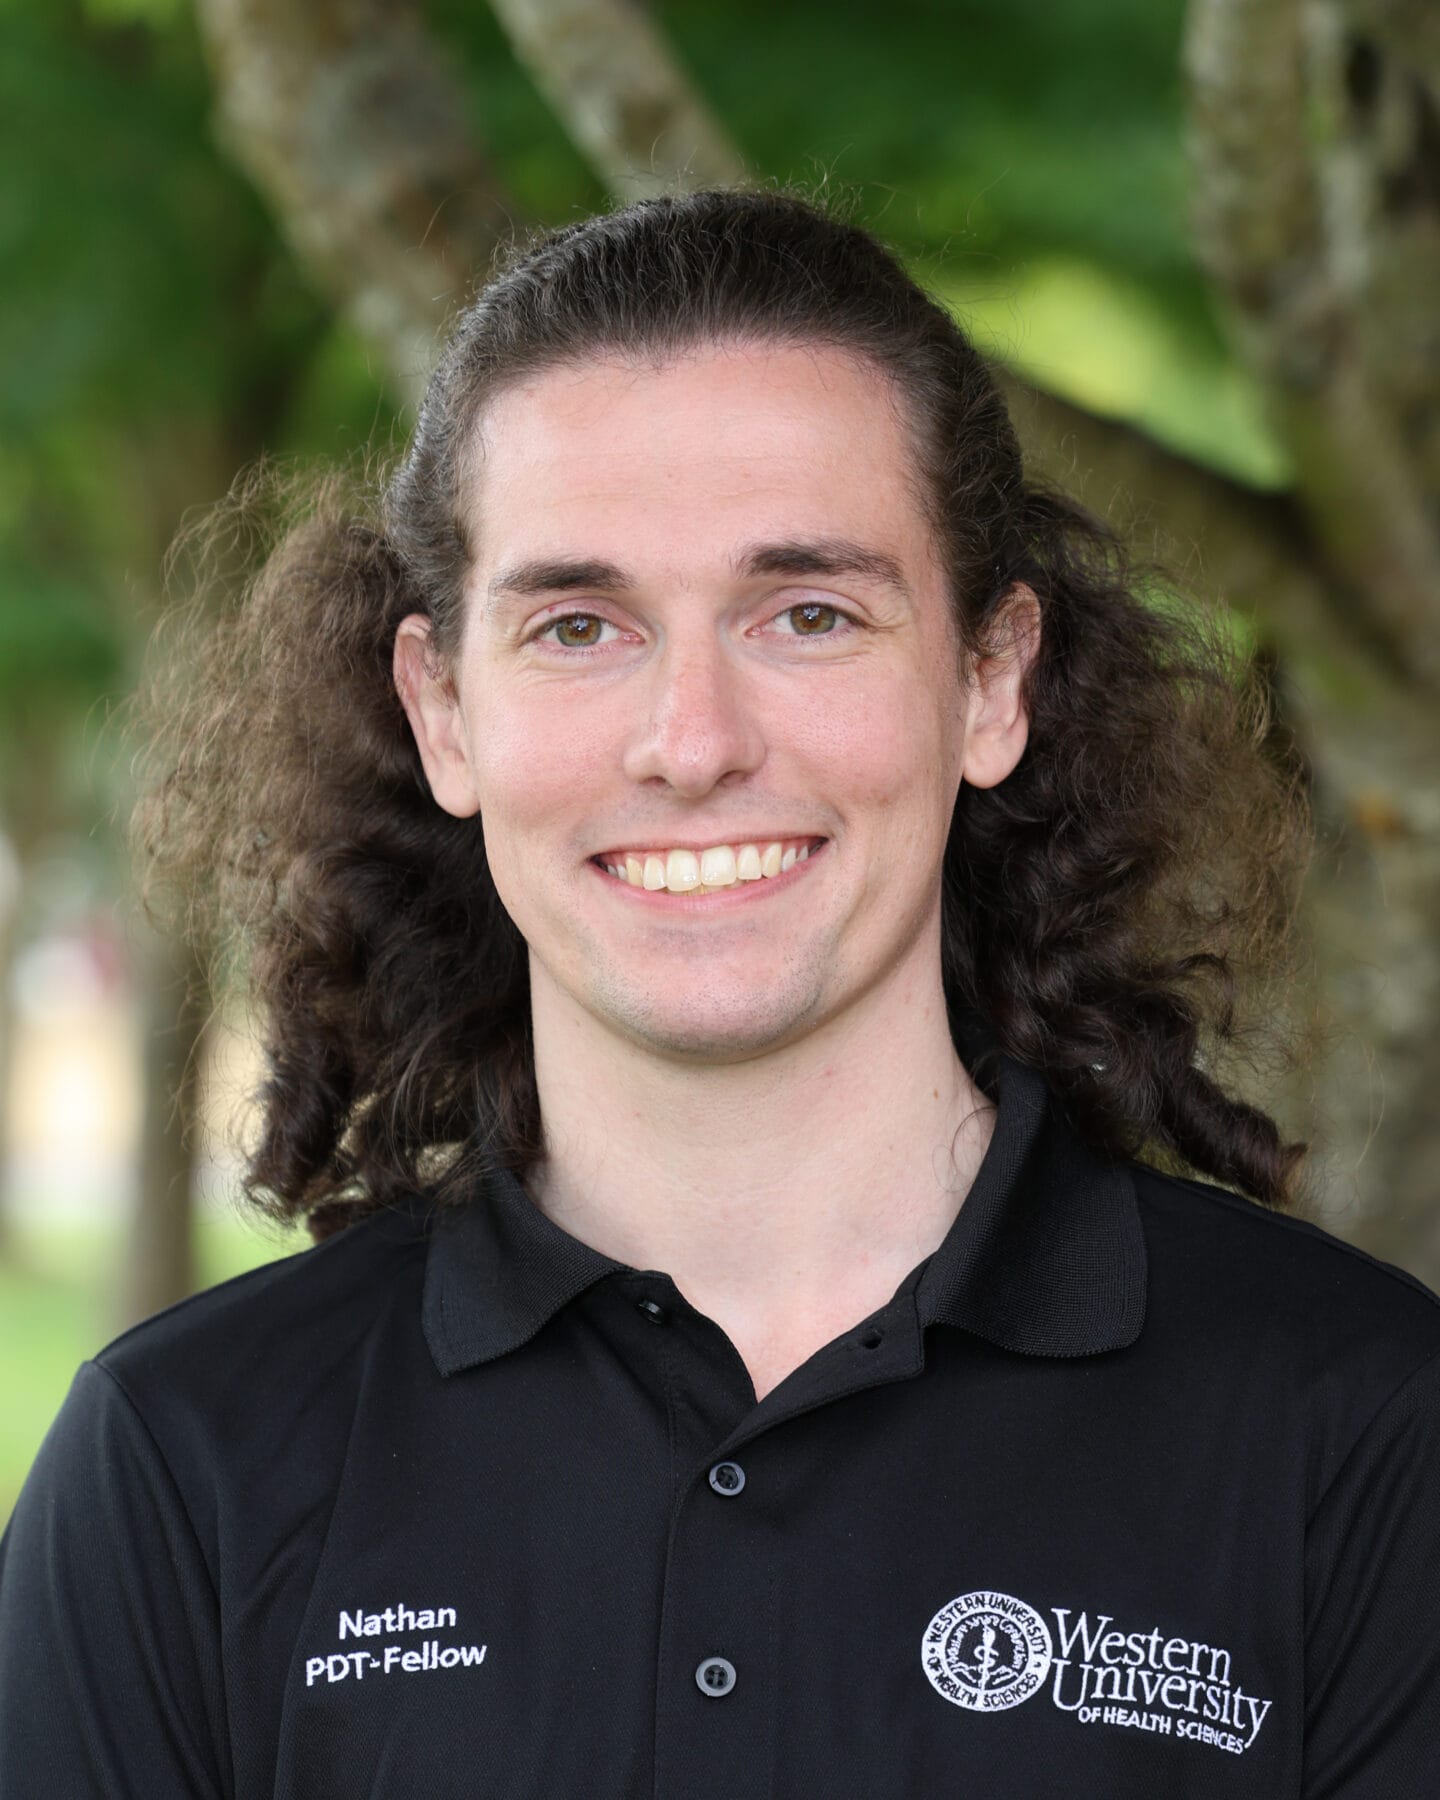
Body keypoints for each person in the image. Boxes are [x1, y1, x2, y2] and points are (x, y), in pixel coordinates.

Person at [1, 186, 1437, 1798]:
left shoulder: (1366, 1431)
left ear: (989, 681)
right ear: (444, 711)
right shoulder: (184, 1466)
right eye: (579, 625)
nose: (692, 741)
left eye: (807, 614)